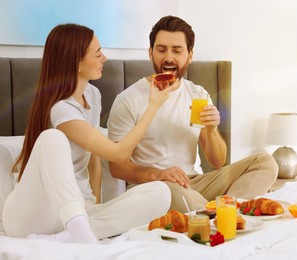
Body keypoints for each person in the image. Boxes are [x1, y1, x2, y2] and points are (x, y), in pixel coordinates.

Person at [2, 23, 173, 244]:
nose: (105, 58)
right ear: (76, 62)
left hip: (76, 210)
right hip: (31, 215)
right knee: (52, 138)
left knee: (160, 193)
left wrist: (94, 202)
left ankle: (74, 230)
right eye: (98, 53)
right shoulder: (60, 108)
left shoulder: (92, 95)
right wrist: (153, 107)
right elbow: (118, 154)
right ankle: (78, 227)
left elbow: (94, 157)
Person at [107, 15, 278, 213]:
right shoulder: (128, 100)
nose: (168, 57)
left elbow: (217, 162)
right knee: (174, 193)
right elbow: (118, 168)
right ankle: (224, 213)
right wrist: (160, 174)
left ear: (189, 55)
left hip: (194, 181)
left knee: (265, 162)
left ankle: (221, 212)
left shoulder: (197, 95)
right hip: (155, 188)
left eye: (177, 50)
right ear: (150, 53)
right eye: (161, 50)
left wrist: (212, 130)